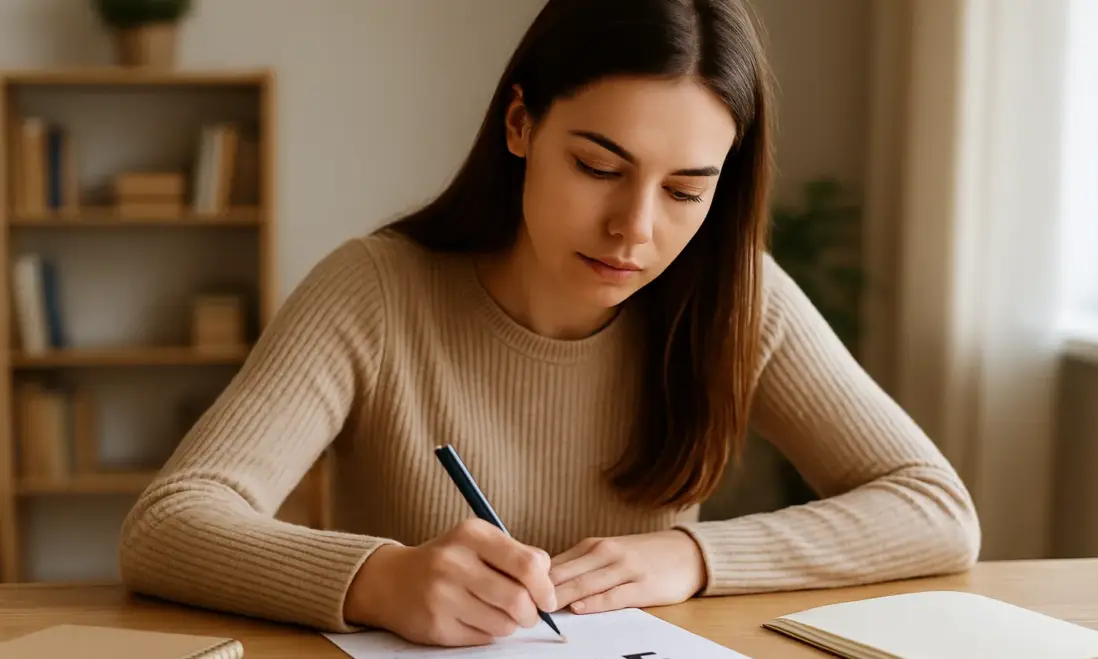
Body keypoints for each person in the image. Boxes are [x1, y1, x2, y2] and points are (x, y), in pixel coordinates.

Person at [117, 0, 980, 649]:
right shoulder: (374, 291)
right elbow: (171, 522)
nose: (636, 230)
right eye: (599, 166)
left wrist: (694, 557)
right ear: (522, 123)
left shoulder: (735, 295)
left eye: (686, 189)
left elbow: (934, 507)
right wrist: (378, 579)